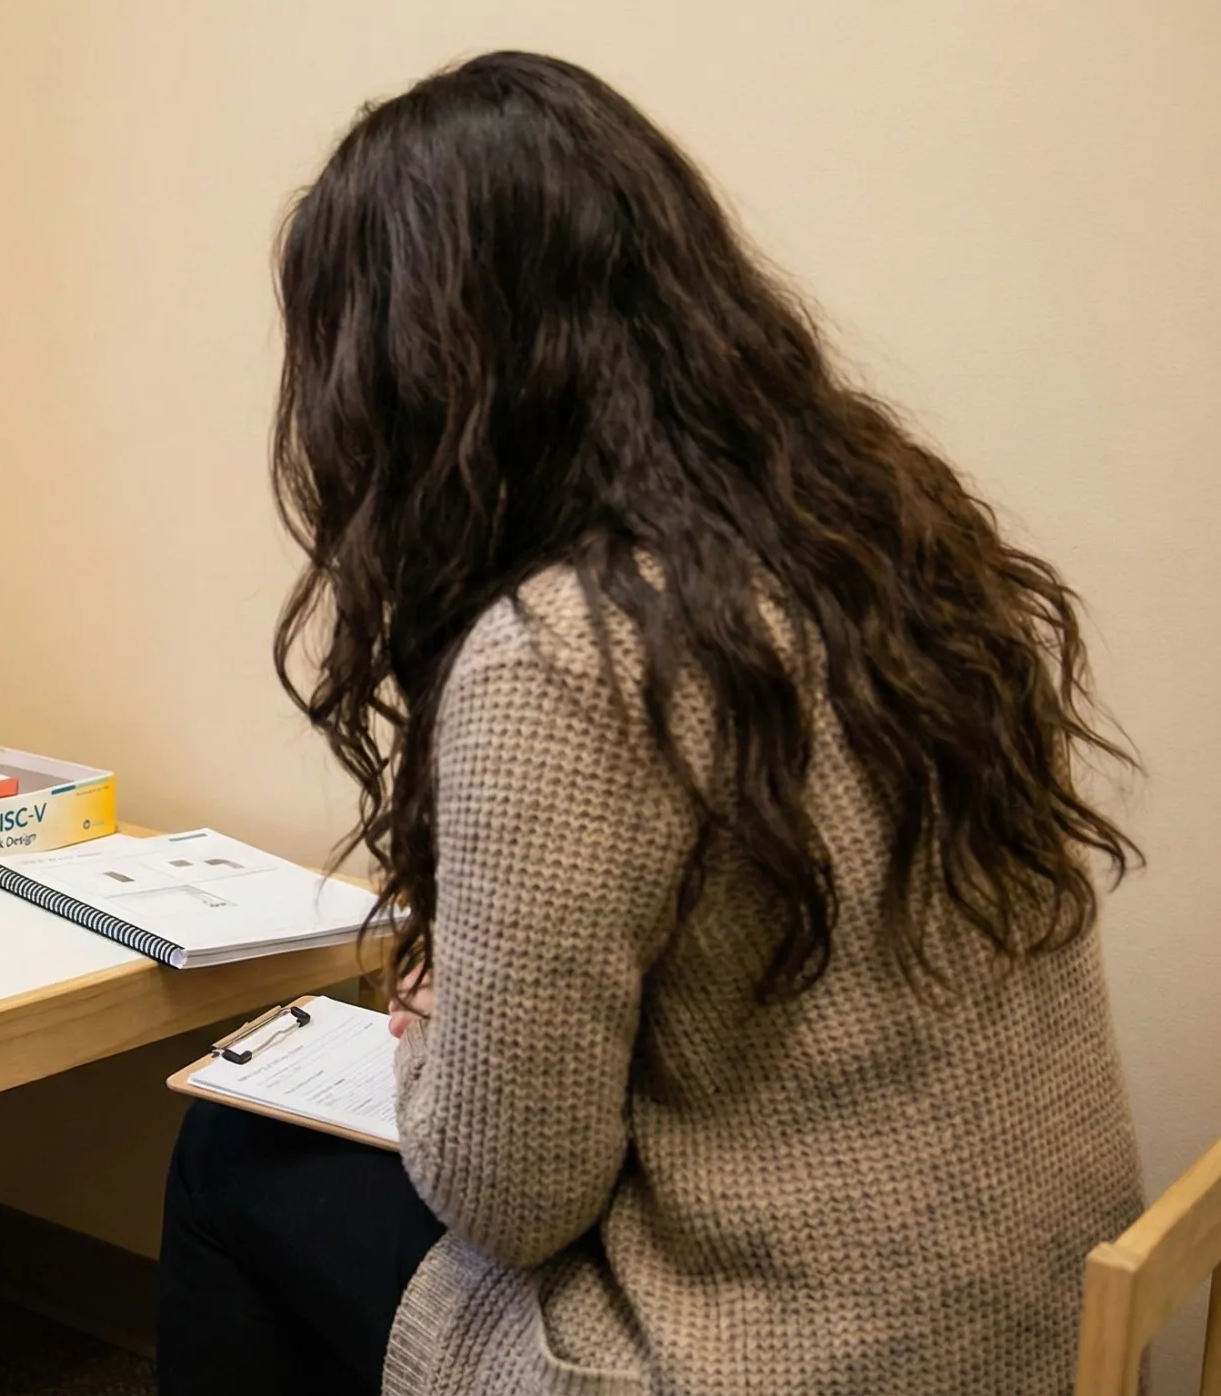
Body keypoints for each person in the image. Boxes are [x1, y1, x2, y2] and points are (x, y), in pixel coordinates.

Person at [159, 52, 1143, 1396]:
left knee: (232, 1160)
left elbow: (511, 1200)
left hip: (788, 1358)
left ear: (415, 380)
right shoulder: (888, 533)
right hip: (1034, 1322)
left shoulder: (567, 652)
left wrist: (440, 1026)